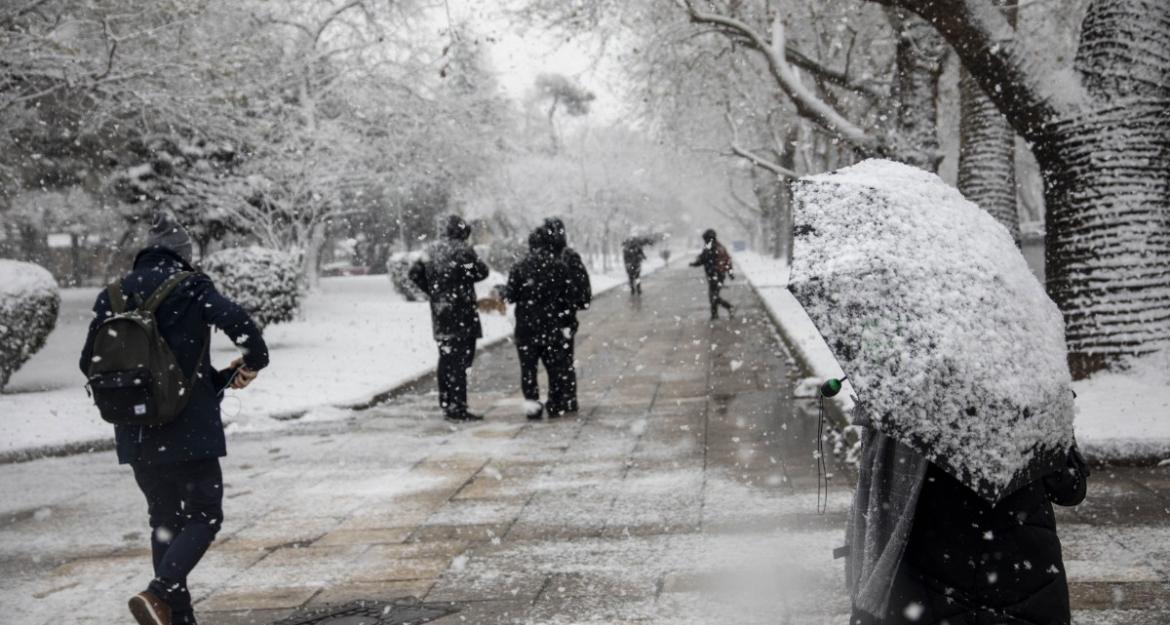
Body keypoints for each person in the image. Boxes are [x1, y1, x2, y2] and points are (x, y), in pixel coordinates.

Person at [79, 211, 268, 625]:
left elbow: (87, 363)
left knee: (165, 520)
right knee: (205, 515)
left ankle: (176, 618)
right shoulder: (191, 288)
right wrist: (255, 360)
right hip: (188, 430)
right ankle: (160, 592)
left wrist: (207, 383)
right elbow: (240, 324)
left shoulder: (111, 295)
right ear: (183, 254)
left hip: (137, 431)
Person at [847, 428, 1089, 625]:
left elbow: (877, 506)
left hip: (928, 584)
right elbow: (1069, 488)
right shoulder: (1028, 397)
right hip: (1022, 577)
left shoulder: (907, 405)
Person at [409, 215, 490, 422]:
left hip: (441, 312)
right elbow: (479, 273)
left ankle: (447, 402)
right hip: (462, 311)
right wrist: (463, 273)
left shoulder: (430, 251)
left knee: (446, 358)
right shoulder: (462, 251)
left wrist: (434, 291)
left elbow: (414, 273)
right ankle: (458, 406)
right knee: (461, 360)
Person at [503, 229, 572, 420]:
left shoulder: (519, 267)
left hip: (526, 326)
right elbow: (567, 297)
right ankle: (556, 403)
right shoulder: (559, 266)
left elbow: (510, 295)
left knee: (528, 369)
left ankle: (532, 405)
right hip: (551, 324)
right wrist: (566, 322)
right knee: (555, 368)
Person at [542, 217, 590, 414]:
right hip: (564, 317)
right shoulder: (568, 256)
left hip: (547, 317)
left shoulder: (543, 258)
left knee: (552, 360)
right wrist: (572, 304)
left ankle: (558, 397)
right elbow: (584, 291)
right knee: (564, 358)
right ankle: (568, 397)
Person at [689, 228, 735, 320]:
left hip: (714, 274)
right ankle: (715, 314)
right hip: (720, 274)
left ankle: (727, 308)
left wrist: (694, 264)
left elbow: (703, 259)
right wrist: (730, 273)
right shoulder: (720, 246)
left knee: (713, 295)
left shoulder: (710, 247)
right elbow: (728, 260)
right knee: (714, 295)